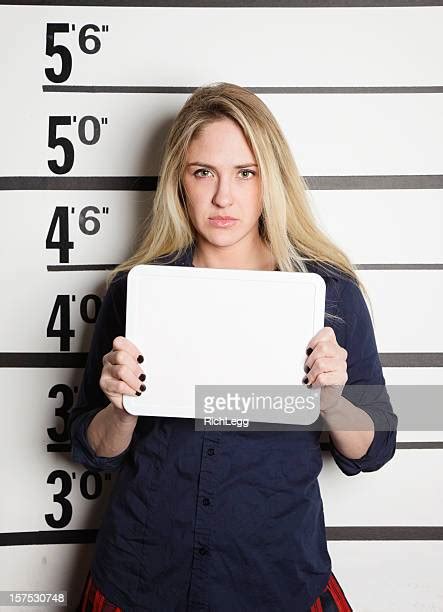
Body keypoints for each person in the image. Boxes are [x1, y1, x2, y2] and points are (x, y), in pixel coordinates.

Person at [69, 82, 398, 612]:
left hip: (275, 579)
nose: (224, 197)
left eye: (246, 173)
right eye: (205, 173)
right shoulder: (136, 291)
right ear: (181, 180)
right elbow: (91, 447)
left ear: (271, 181)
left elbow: (374, 447)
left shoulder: (331, 295)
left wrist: (333, 401)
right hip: (143, 577)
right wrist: (121, 412)